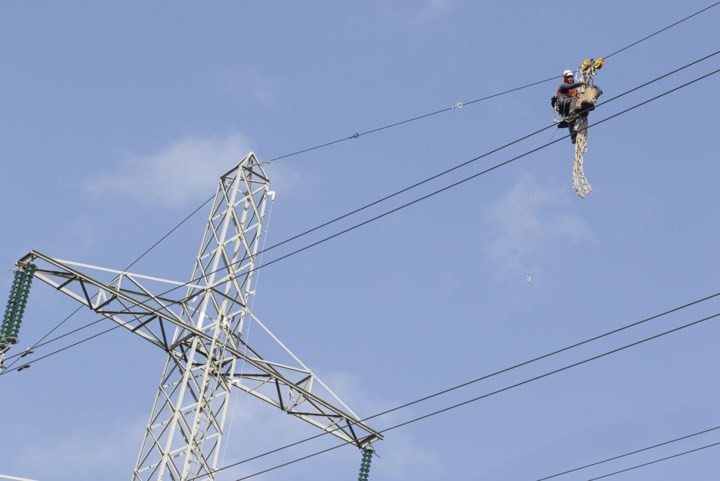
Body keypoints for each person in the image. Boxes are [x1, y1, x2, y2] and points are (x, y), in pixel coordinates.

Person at [554, 69, 586, 143]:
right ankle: (572, 113)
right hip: (563, 102)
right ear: (565, 78)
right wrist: (580, 83)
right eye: (569, 77)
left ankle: (574, 138)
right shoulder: (563, 85)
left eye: (571, 77)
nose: (571, 78)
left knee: (571, 121)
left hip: (568, 105)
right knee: (575, 99)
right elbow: (570, 86)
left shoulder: (573, 90)